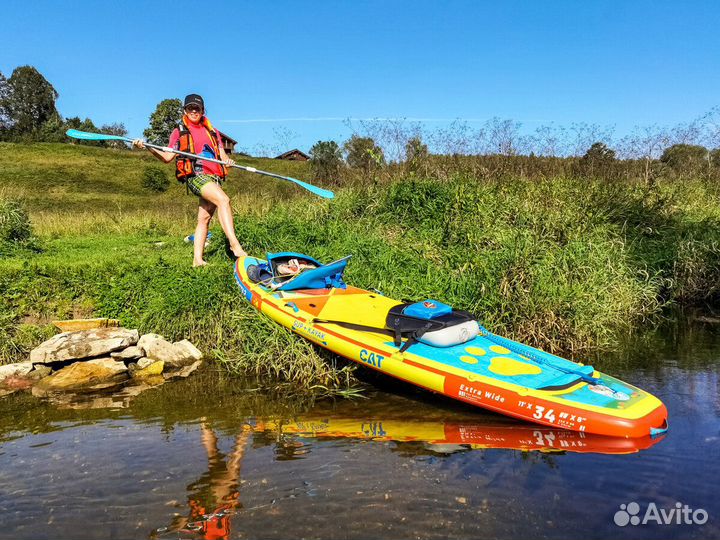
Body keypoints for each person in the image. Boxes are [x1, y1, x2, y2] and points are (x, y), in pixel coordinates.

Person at [133, 94, 247, 267]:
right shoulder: (179, 131)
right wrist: (147, 146)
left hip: (214, 177)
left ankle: (197, 260)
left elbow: (224, 159)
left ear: (202, 110)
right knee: (224, 200)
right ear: (185, 110)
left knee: (204, 219)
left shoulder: (212, 131)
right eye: (190, 108)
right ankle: (234, 245)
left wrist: (229, 163)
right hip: (196, 175)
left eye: (197, 108)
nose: (194, 111)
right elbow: (167, 157)